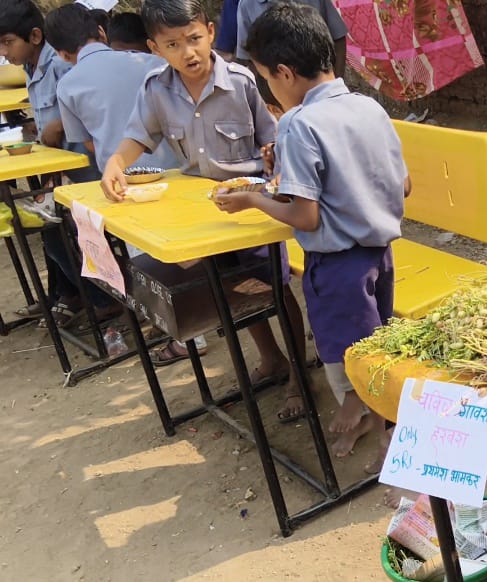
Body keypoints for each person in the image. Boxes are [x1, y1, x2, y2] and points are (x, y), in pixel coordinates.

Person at [214, 2, 408, 457]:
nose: (267, 89)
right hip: (380, 255)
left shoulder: (298, 124)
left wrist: (250, 199)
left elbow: (306, 217)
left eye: (264, 78)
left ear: (283, 72)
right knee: (378, 343)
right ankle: (373, 417)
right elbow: (403, 183)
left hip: (337, 265)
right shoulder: (368, 106)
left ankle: (380, 429)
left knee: (354, 355)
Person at [99, 0, 308, 422]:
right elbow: (138, 135)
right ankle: (271, 359)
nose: (187, 52)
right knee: (227, 289)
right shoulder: (156, 89)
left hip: (251, 206)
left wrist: (275, 171)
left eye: (194, 39)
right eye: (173, 44)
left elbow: (274, 137)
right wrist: (115, 164)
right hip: (201, 214)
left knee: (273, 285)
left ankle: (300, 377)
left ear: (210, 32)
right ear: (154, 47)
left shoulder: (242, 81)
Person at [0, 0, 108, 329]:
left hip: (90, 170)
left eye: (7, 42)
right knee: (45, 225)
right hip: (64, 171)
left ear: (34, 36)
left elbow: (89, 96)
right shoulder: (32, 67)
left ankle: (104, 300)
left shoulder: (60, 62)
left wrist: (59, 123)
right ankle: (75, 294)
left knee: (56, 233)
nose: (4, 53)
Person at [47, 4, 177, 175]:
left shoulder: (66, 86)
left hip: (119, 177)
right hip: (173, 170)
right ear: (102, 32)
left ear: (62, 54)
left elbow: (88, 142)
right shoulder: (152, 63)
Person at [234, 0, 347, 78]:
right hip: (276, 89)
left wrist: (336, 79)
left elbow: (338, 38)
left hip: (317, 80)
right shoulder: (247, 5)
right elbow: (248, 58)